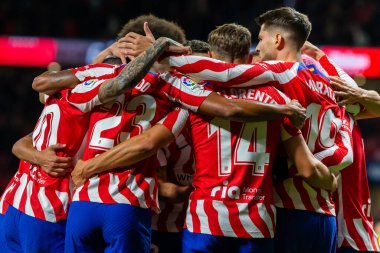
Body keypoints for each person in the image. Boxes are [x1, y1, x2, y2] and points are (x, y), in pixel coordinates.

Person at [28, 17, 305, 253]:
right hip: (138, 206)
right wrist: (283, 109)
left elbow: (43, 87)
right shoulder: (178, 89)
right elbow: (226, 109)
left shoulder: (100, 76)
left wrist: (89, 166)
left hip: (87, 203)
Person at [150, 7, 354, 253]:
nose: (257, 48)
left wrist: (160, 56)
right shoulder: (327, 86)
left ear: (277, 40)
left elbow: (226, 73)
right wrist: (324, 175)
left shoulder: (282, 76)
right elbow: (346, 154)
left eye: (261, 39)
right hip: (324, 214)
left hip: (286, 209)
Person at [0, 37, 185, 253]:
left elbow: (19, 144)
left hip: (14, 203)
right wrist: (158, 48)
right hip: (49, 210)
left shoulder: (55, 94)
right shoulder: (86, 94)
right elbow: (118, 83)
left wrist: (39, 157)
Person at [302, 41, 380, 252]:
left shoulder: (345, 107)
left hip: (349, 234)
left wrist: (360, 94)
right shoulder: (301, 113)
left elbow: (377, 103)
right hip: (328, 227)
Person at [150, 40, 210, 253]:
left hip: (203, 226)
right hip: (162, 228)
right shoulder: (165, 121)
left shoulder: (216, 120)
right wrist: (207, 190)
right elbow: (161, 187)